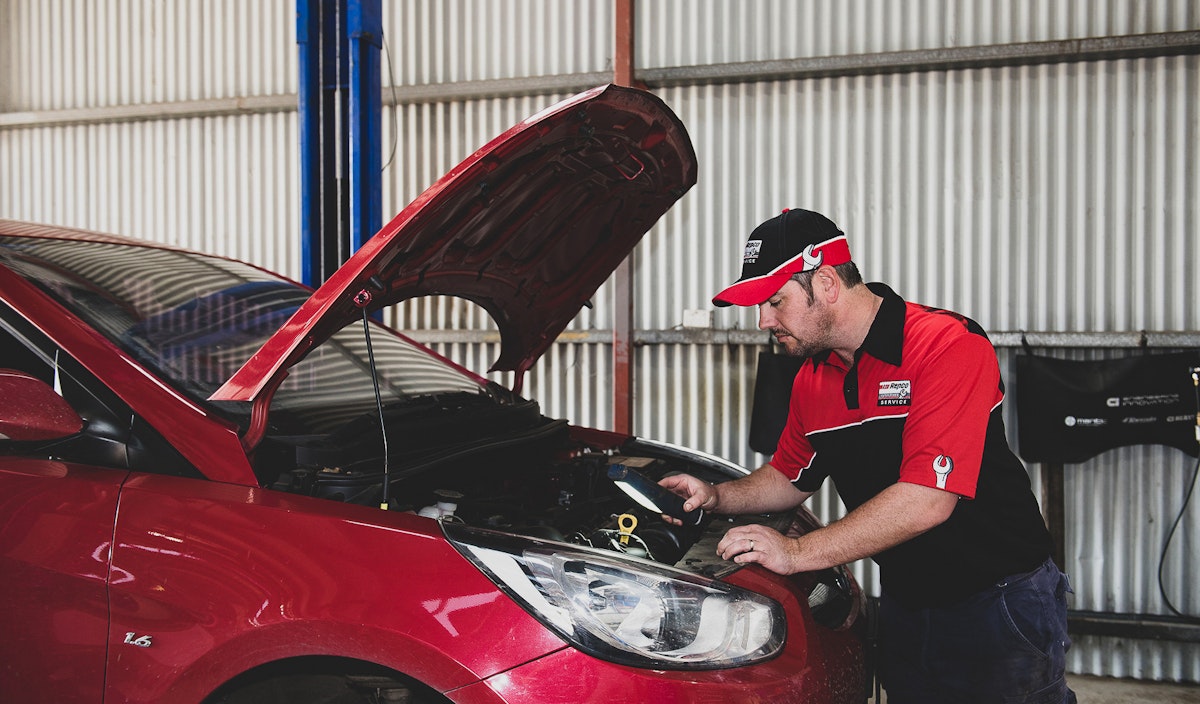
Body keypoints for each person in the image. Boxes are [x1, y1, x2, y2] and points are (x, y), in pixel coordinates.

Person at [660, 208, 1075, 704]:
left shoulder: (946, 345)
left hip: (998, 601)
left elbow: (927, 500)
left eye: (775, 301)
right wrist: (715, 496)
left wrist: (796, 553)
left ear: (827, 283)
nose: (765, 321)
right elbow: (788, 476)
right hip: (906, 601)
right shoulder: (813, 377)